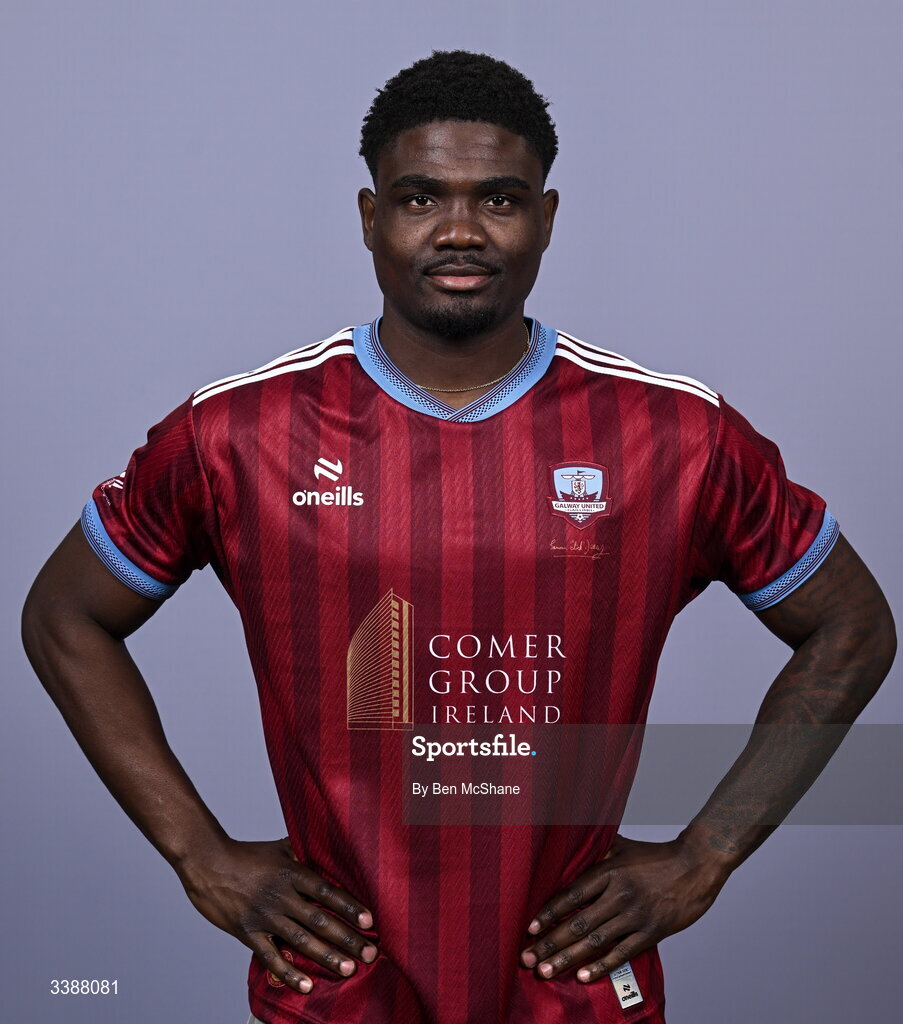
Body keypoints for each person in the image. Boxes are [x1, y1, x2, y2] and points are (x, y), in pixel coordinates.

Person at [21, 49, 895, 1024]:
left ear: (549, 219)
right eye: (421, 197)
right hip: (338, 984)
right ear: (369, 216)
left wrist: (703, 858)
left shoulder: (675, 434)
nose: (461, 230)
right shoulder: (237, 432)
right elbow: (64, 615)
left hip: (572, 985)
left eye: (501, 199)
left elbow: (853, 626)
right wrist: (200, 853)